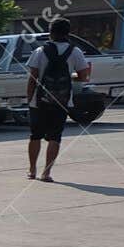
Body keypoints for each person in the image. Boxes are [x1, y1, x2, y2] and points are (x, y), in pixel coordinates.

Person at [26, 17, 90, 181]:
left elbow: (32, 78)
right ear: (68, 32)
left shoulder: (40, 51)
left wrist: (29, 99)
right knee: (55, 137)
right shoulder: (75, 52)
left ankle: (32, 170)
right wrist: (69, 77)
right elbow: (84, 77)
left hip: (39, 100)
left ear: (51, 32)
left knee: (35, 135)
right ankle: (46, 173)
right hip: (62, 101)